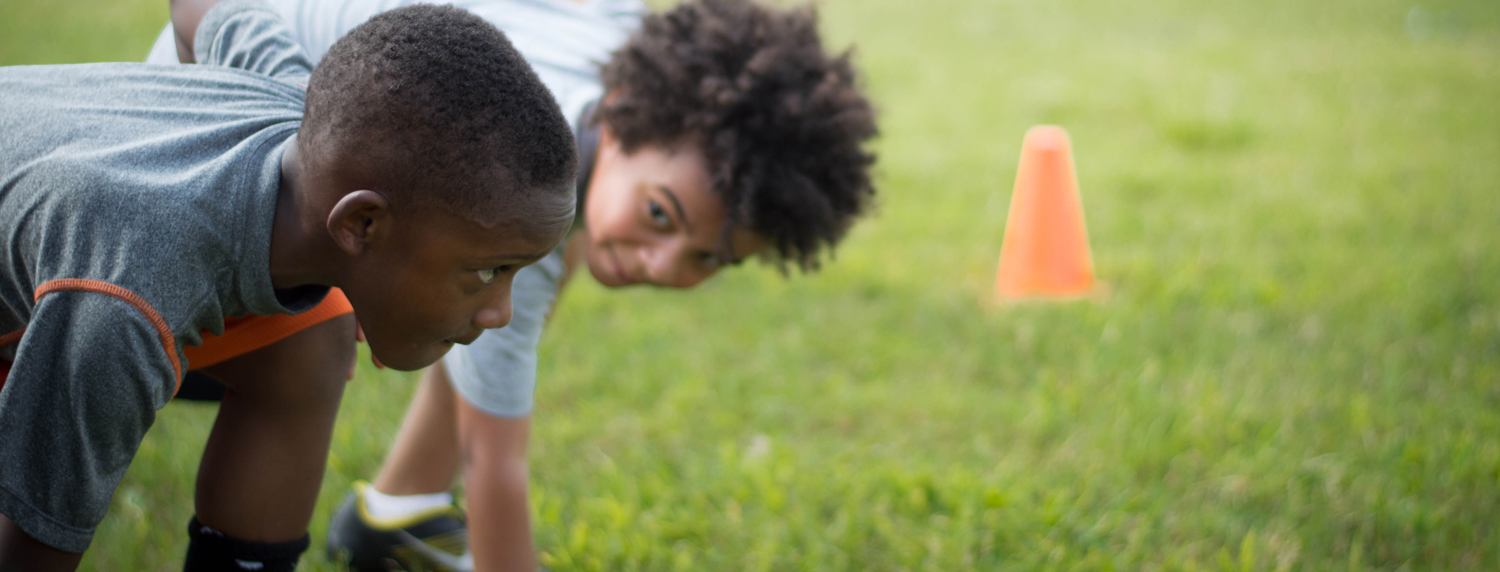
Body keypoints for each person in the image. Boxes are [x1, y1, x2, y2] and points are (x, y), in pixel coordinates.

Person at [148, 0, 879, 570]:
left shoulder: (613, 57)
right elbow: (497, 460)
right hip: (201, 149)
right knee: (357, 332)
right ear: (623, 116)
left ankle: (400, 508)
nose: (663, 265)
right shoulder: (510, 194)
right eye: (662, 215)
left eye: (708, 260)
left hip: (246, 122)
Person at [0, 1, 578, 570]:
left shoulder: (311, 113)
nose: (500, 312)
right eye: (488, 271)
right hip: (66, 302)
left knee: (311, 328)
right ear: (362, 224)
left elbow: (202, 9)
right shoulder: (124, 300)